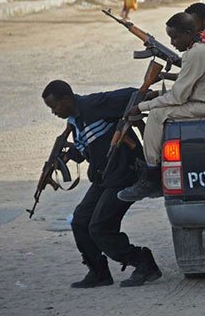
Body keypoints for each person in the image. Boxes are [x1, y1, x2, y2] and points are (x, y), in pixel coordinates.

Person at [41, 80, 161, 288]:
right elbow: (91, 144)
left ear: (67, 99)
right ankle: (98, 273)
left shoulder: (93, 104)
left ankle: (143, 262)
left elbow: (129, 95)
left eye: (55, 106)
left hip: (124, 174)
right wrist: (70, 155)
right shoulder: (75, 120)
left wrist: (147, 95)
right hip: (104, 177)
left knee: (100, 227)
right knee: (79, 222)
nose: (54, 112)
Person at [117, 12, 205, 202]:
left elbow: (178, 96)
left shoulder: (196, 54)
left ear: (188, 33)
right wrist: (159, 95)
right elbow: (190, 89)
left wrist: (142, 106)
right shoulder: (203, 47)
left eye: (175, 37)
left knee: (156, 114)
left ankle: (152, 176)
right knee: (160, 107)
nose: (172, 43)